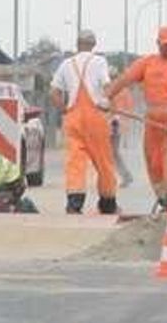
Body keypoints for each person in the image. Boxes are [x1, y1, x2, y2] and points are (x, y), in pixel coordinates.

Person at [106, 25, 167, 208]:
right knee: (153, 162)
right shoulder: (148, 63)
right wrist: (107, 96)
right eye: (166, 44)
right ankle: (163, 199)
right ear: (158, 43)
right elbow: (126, 79)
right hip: (152, 123)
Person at [50, 31, 118, 215]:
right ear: (93, 44)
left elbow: (54, 93)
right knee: (103, 161)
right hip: (96, 118)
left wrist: (64, 109)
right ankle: (108, 203)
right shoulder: (99, 62)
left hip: (73, 118)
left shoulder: (66, 64)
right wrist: (107, 103)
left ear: (77, 44)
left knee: (75, 161)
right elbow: (107, 87)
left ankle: (74, 203)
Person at [108, 68, 136, 188]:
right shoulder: (124, 90)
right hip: (118, 125)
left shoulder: (114, 89)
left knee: (112, 153)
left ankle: (124, 176)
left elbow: (115, 109)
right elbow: (129, 108)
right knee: (113, 152)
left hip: (114, 124)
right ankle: (122, 176)